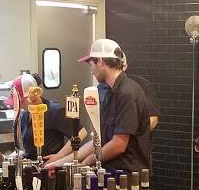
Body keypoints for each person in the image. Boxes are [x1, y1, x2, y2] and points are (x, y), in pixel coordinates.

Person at [45, 39, 151, 173]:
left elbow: (119, 144)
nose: (91, 72)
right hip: (109, 174)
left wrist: (87, 161)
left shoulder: (127, 93)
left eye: (91, 65)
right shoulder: (107, 92)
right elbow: (97, 141)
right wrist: (60, 162)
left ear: (100, 61)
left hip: (128, 177)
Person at [10, 74, 71, 159]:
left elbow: (79, 133)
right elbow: (27, 148)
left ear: (32, 96)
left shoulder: (54, 111)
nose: (19, 105)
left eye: (21, 101)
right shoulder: (25, 115)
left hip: (49, 164)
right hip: (31, 163)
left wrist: (59, 156)